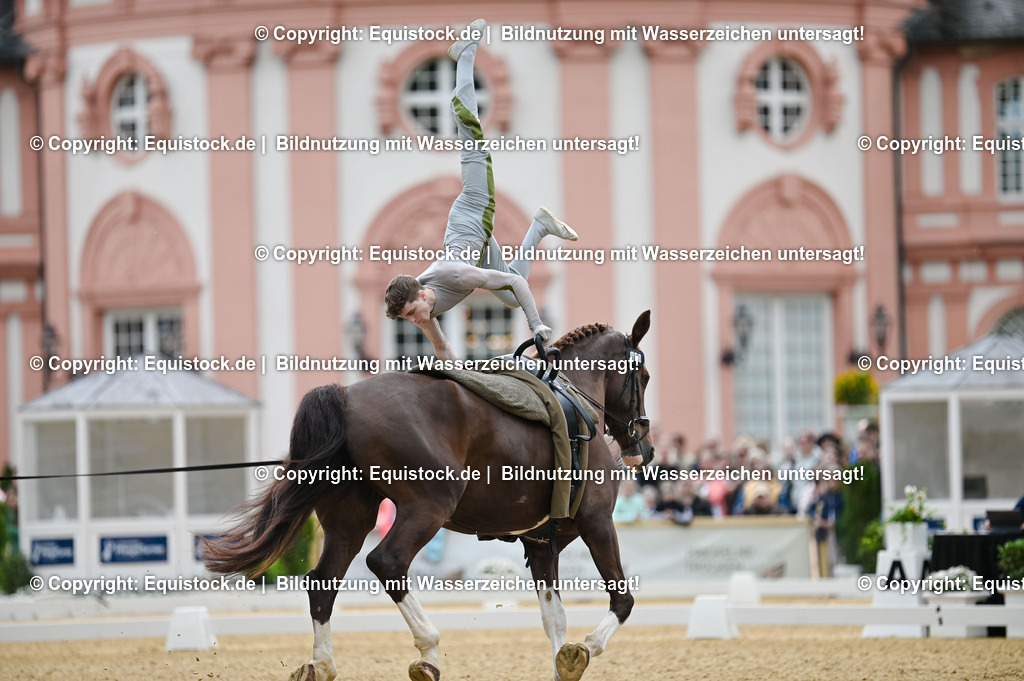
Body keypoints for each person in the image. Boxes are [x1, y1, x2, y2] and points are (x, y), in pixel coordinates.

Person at [383, 19, 578, 360]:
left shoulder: (455, 274)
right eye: (407, 319)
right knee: (511, 299)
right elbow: (443, 347)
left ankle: (466, 54)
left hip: (474, 209)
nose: (414, 321)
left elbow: (516, 281)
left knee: (470, 131)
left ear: (422, 295)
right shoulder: (426, 312)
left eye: (411, 313)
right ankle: (539, 225)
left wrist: (535, 325)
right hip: (478, 241)